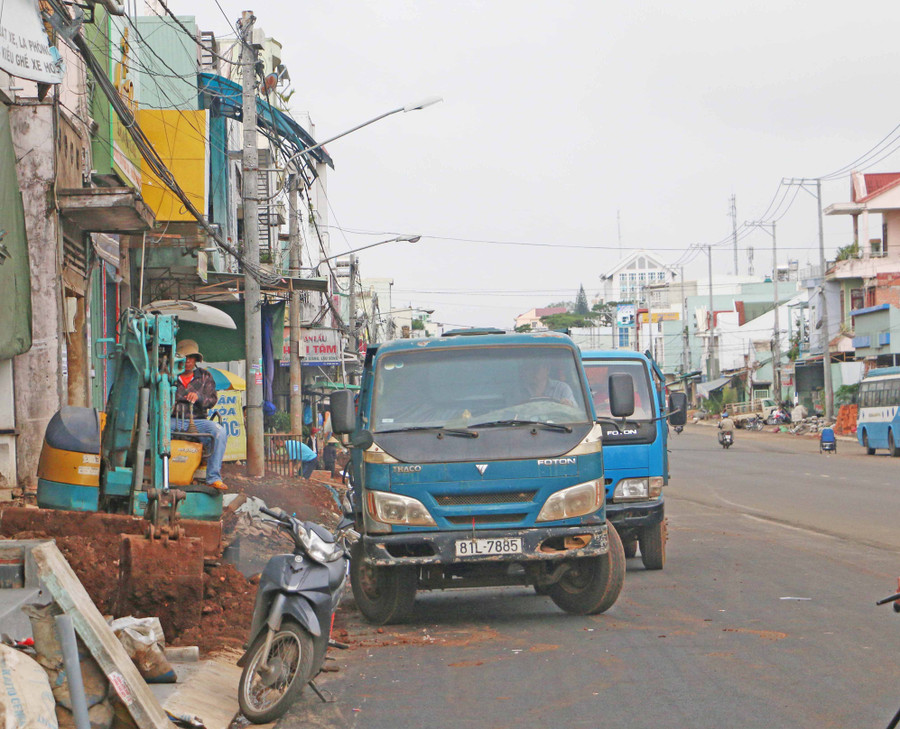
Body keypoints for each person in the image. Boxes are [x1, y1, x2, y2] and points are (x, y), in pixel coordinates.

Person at [171, 339, 228, 491]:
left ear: (195, 359)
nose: (187, 361)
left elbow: (212, 399)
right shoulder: (168, 375)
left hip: (197, 422)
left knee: (219, 431)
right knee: (151, 432)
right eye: (184, 357)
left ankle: (213, 477)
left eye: (191, 357)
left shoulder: (205, 376)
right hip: (171, 421)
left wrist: (199, 398)